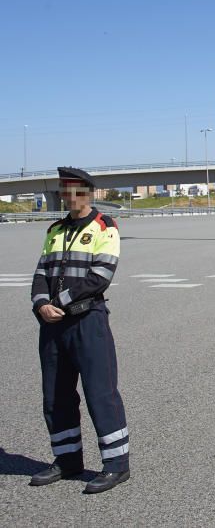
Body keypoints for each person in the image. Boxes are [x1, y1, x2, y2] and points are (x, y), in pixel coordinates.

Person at [29, 167, 131, 493]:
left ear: (89, 192)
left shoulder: (105, 227)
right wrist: (41, 304)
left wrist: (59, 301)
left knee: (100, 394)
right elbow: (41, 272)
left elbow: (100, 276)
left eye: (75, 190)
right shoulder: (55, 229)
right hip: (53, 325)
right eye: (64, 189)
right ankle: (67, 461)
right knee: (56, 396)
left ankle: (116, 465)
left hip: (88, 321)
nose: (68, 196)